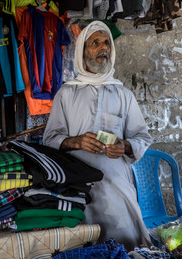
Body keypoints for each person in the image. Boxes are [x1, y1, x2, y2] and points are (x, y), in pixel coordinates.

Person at [43, 21, 152, 251]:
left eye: (106, 43)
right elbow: (50, 138)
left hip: (116, 190)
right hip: (77, 190)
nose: (103, 48)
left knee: (124, 247)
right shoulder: (66, 94)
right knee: (84, 246)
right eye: (95, 43)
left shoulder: (123, 94)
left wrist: (126, 146)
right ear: (83, 52)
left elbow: (142, 136)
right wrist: (76, 141)